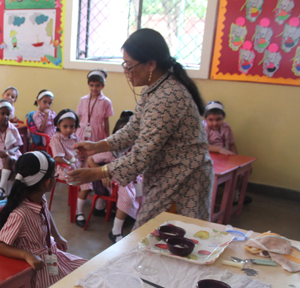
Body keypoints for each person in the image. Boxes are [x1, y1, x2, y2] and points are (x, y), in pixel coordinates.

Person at [68, 28, 213, 227]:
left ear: (151, 64)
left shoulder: (167, 97)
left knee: (162, 235)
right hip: (167, 176)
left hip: (183, 180)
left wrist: (96, 173)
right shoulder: (154, 88)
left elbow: (142, 155)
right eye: (124, 65)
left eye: (129, 65)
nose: (126, 71)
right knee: (153, 235)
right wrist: (97, 146)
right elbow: (133, 128)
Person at [0, 152, 86, 288]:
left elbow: (46, 213)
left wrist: (57, 236)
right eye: (55, 175)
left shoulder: (39, 197)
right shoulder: (21, 214)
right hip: (38, 269)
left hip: (50, 257)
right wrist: (27, 255)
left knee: (86, 271)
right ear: (47, 182)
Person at [203, 100, 252, 205]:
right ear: (205, 119)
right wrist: (219, 149)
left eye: (218, 119)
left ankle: (233, 195)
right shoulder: (204, 127)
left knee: (244, 170)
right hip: (211, 159)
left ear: (223, 118)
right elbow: (203, 145)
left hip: (225, 158)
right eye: (211, 120)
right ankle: (214, 198)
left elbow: (232, 144)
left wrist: (236, 159)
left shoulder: (226, 127)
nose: (215, 123)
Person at [107, 111, 144, 243]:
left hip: (133, 179)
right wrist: (103, 176)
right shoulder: (111, 148)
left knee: (143, 193)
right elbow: (92, 160)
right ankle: (115, 231)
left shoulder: (134, 147)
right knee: (128, 196)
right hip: (117, 181)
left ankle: (135, 222)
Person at [0, 99, 23, 200]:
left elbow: (18, 145)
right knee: (8, 161)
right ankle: (5, 193)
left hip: (12, 152)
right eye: (2, 113)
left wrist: (12, 150)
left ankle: (1, 189)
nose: (5, 116)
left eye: (8, 114)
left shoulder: (13, 129)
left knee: (11, 159)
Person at [76, 69, 113, 141]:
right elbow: (79, 118)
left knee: (95, 147)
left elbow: (106, 121)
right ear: (88, 85)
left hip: (97, 132)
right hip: (82, 130)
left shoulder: (106, 101)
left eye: (97, 86)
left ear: (103, 86)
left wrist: (108, 138)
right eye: (91, 85)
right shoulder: (83, 100)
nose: (94, 88)